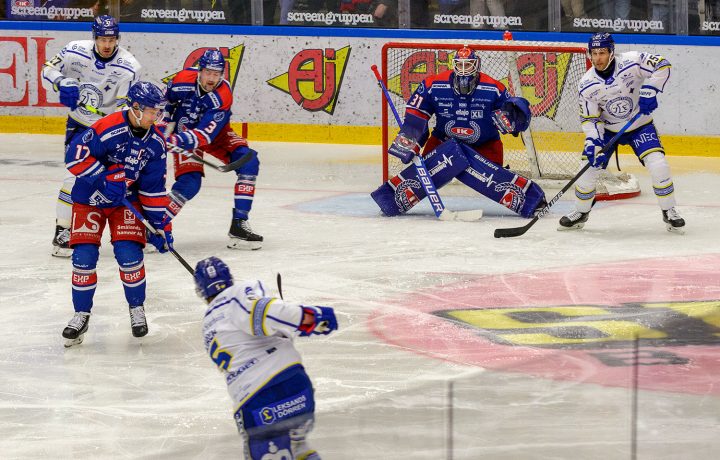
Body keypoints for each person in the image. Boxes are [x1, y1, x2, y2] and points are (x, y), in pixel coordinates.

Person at [371, 46, 546, 219]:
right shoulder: (433, 85)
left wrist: (513, 120)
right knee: (442, 160)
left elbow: (513, 116)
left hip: (484, 145)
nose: (463, 69)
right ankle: (390, 199)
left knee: (491, 177)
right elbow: (417, 113)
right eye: (460, 64)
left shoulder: (494, 88)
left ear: (476, 65)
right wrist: (411, 139)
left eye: (468, 65)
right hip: (443, 142)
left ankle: (532, 199)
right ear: (453, 64)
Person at [61, 81, 172, 347]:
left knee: (129, 255)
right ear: (135, 108)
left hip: (126, 202)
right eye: (152, 111)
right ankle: (81, 314)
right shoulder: (107, 127)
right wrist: (103, 177)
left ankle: (137, 309)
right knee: (83, 258)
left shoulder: (156, 142)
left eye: (159, 111)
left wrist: (161, 226)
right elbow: (74, 157)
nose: (157, 116)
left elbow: (153, 188)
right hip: (89, 199)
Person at [194, 257, 338, 459]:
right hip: (296, 386)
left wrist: (303, 319)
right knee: (299, 449)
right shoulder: (237, 295)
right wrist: (310, 318)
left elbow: (259, 315)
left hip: (259, 400)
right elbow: (264, 314)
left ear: (200, 291)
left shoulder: (208, 325)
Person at [558, 33, 685, 233]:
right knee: (587, 167)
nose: (598, 58)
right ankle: (581, 211)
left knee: (658, 164)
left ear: (611, 52)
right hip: (607, 131)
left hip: (640, 125)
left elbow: (662, 64)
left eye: (602, 52)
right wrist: (593, 142)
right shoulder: (586, 84)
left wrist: (651, 89)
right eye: (594, 53)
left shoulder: (632, 61)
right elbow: (590, 120)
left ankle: (669, 211)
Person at [42, 15, 141, 258]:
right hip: (78, 126)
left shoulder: (129, 66)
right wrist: (62, 82)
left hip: (109, 130)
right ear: (93, 37)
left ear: (117, 38)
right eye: (102, 39)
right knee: (73, 178)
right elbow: (47, 70)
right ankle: (62, 230)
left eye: (111, 39)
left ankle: (133, 230)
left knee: (126, 178)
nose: (107, 44)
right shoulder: (74, 50)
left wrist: (111, 129)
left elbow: (123, 109)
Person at [163, 49, 263, 250]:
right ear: (200, 70)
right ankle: (155, 225)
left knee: (249, 162)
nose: (211, 78)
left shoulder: (222, 95)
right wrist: (163, 127)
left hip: (215, 135)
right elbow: (167, 102)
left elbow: (204, 136)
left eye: (216, 74)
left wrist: (173, 139)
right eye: (208, 72)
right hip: (184, 132)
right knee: (190, 184)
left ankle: (239, 224)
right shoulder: (182, 80)